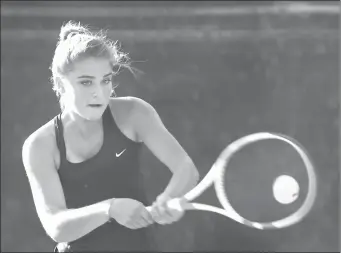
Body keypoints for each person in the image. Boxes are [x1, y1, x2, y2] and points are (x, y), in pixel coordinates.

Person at [22, 21, 199, 252]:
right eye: (86, 82)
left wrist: (169, 198)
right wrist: (110, 209)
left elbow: (186, 169)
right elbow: (56, 225)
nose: (99, 92)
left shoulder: (135, 113)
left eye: (105, 80)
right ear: (60, 84)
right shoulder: (39, 145)